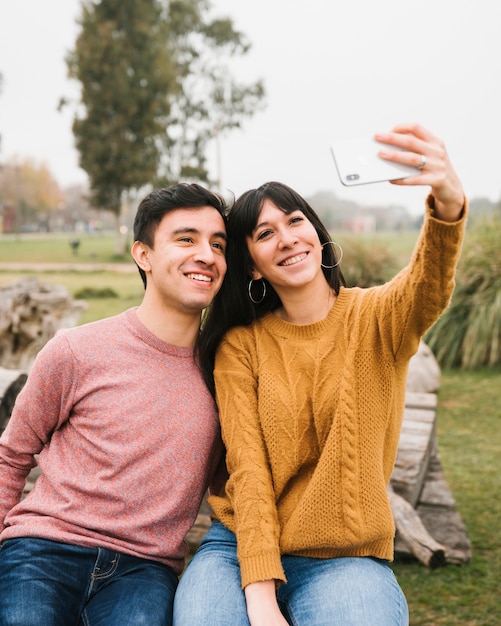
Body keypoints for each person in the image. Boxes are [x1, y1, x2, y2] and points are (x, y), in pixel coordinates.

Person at [173, 124, 467, 626]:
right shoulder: (241, 347)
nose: (287, 239)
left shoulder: (378, 319)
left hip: (345, 555)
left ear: (316, 231)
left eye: (294, 221)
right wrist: (260, 594)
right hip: (239, 545)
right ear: (253, 268)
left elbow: (429, 283)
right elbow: (248, 472)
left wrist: (447, 200)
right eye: (266, 234)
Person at [0, 183, 228, 626]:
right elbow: (11, 455)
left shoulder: (227, 374)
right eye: (186, 239)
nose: (207, 254)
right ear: (142, 254)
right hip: (43, 549)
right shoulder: (76, 350)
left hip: (144, 570)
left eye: (217, 244)